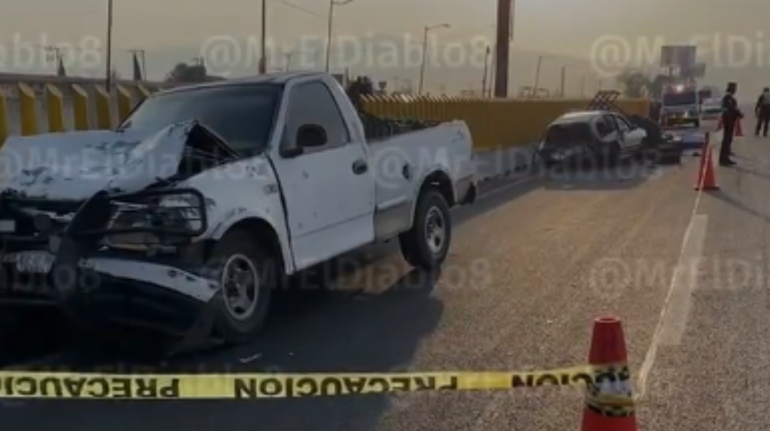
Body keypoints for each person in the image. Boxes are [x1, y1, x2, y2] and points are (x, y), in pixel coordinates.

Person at [720, 82, 742, 166]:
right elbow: (731, 108)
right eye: (734, 88)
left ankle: (726, 157)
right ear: (731, 89)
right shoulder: (727, 98)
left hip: (730, 120)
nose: (735, 90)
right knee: (726, 140)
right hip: (728, 120)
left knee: (728, 139)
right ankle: (723, 159)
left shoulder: (729, 98)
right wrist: (739, 114)